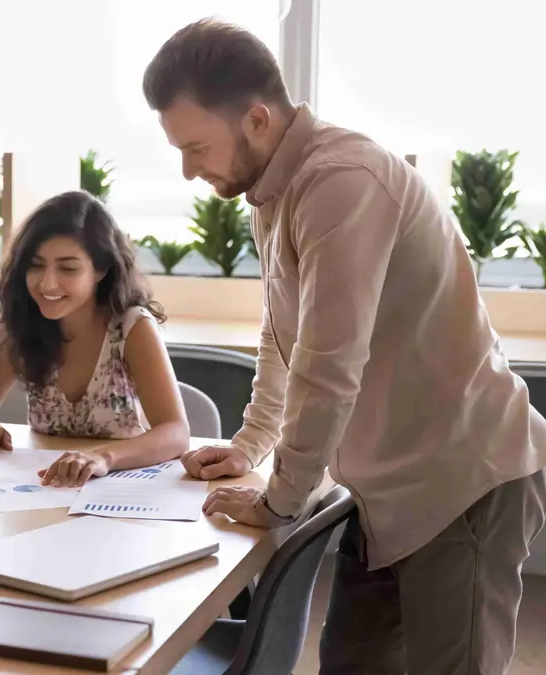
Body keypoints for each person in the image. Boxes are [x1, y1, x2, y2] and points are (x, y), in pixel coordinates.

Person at [143, 19, 546, 674]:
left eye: (196, 147)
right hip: (384, 487)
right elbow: (284, 340)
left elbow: (328, 367)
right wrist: (250, 445)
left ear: (258, 119)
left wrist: (279, 499)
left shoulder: (342, 181)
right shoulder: (271, 192)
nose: (190, 172)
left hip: (462, 480)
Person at [0, 191, 190, 487]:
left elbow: (175, 432)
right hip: (44, 489)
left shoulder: (132, 326)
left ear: (101, 270)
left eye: (68, 268)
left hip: (122, 490)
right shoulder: (20, 324)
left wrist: (102, 457)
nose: (47, 283)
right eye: (36, 265)